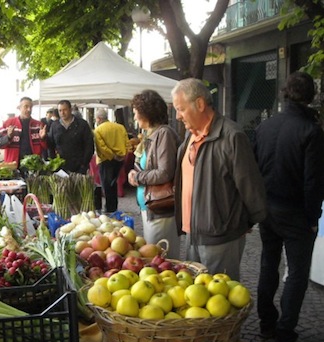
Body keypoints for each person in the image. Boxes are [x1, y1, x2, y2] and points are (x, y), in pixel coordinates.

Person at [254, 71, 324, 342]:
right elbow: (313, 181)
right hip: (295, 211)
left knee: (269, 263)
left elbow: (255, 168)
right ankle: (285, 336)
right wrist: (312, 218)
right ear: (312, 97)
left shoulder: (265, 126)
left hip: (267, 207)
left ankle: (267, 324)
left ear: (285, 93)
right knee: (296, 272)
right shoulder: (312, 132)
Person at [172, 78, 266, 281]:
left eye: (181, 109)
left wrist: (243, 221)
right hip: (192, 233)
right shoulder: (189, 138)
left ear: (199, 104)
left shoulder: (231, 136)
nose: (178, 116)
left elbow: (249, 185)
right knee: (196, 296)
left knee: (221, 299)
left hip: (220, 235)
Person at [127, 90, 181, 259]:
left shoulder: (164, 134)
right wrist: (134, 173)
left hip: (161, 208)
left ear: (146, 112)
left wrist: (138, 177)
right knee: (155, 256)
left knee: (162, 258)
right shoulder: (150, 136)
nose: (135, 118)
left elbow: (165, 172)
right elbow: (145, 166)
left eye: (136, 113)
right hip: (150, 207)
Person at [93, 108, 130, 213]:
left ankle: (109, 208)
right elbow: (127, 143)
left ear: (99, 119)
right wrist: (122, 155)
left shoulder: (98, 130)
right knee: (114, 183)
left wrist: (112, 155)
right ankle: (114, 207)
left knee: (107, 185)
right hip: (119, 159)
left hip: (105, 160)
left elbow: (101, 147)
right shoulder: (120, 127)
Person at [0, 97, 47, 168]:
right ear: (19, 108)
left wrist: (43, 138)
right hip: (13, 165)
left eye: (31, 107)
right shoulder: (8, 123)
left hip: (34, 165)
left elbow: (46, 147)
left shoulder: (38, 125)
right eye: (26, 106)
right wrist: (8, 137)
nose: (29, 109)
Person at [47, 99, 94, 174]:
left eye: (65, 110)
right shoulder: (54, 126)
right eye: (60, 110)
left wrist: (83, 164)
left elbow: (89, 145)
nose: (62, 113)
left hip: (79, 166)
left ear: (70, 109)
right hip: (61, 167)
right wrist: (54, 163)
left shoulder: (82, 124)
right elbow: (50, 145)